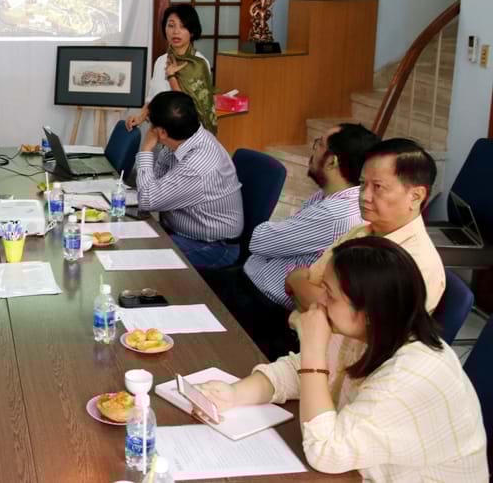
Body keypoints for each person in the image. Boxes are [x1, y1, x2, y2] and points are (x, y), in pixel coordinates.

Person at [194, 237, 488, 481]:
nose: (319, 301)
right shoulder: (367, 330)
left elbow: (326, 452)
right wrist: (234, 393)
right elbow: (296, 372)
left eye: (330, 295)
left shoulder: (411, 374)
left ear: (369, 311)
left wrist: (312, 348)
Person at [213, 123, 379, 359]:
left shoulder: (337, 214)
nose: (313, 150)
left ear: (332, 161)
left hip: (262, 308)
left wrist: (279, 231)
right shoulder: (328, 196)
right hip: (247, 283)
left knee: (184, 299)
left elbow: (260, 240)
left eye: (319, 144)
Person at [286, 138, 445, 313]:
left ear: (416, 196)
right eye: (363, 184)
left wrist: (296, 280)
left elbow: (344, 319)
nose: (364, 196)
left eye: (378, 187)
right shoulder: (362, 231)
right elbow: (312, 283)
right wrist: (306, 290)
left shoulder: (418, 265)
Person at [135, 91, 243, 268]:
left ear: (161, 132)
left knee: (138, 258)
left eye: (150, 123)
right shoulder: (186, 137)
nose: (149, 129)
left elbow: (147, 200)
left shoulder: (197, 166)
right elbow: (158, 180)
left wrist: (146, 149)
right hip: (180, 232)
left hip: (212, 246)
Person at [126, 4, 217, 134]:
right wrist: (140, 116)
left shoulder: (199, 64)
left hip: (188, 133)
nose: (176, 32)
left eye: (183, 26)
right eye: (171, 25)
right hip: (161, 131)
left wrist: (171, 77)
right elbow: (153, 98)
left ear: (192, 31)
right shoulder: (161, 61)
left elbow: (189, 108)